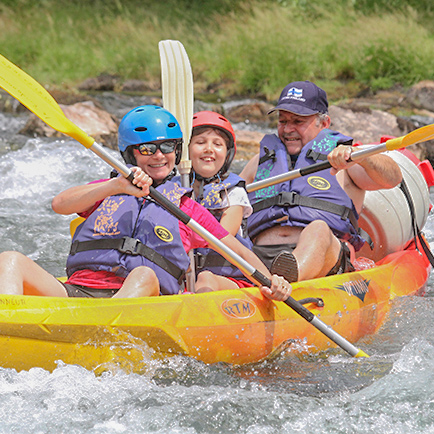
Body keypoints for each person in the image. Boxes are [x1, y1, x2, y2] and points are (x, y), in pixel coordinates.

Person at [0, 105, 291, 301]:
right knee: (10, 259)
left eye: (167, 147)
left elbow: (236, 251)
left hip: (138, 304)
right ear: (131, 155)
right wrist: (115, 185)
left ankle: (98, 335)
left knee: (143, 273)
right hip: (77, 292)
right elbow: (59, 204)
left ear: (176, 153)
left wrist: (271, 281)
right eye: (147, 148)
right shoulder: (108, 190)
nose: (158, 155)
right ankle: (9, 331)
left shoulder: (185, 208)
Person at [240, 81, 402, 283]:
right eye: (283, 121)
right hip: (259, 258)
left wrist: (361, 155)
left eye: (298, 122)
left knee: (319, 229)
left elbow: (393, 178)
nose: (288, 129)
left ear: (324, 123)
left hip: (325, 260)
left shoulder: (345, 160)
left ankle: (289, 277)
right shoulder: (260, 162)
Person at [174, 111, 253, 292]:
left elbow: (222, 238)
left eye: (217, 144)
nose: (209, 149)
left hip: (227, 280)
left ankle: (200, 316)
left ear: (227, 154)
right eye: (200, 142)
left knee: (205, 278)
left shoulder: (233, 192)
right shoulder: (172, 189)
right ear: (186, 151)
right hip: (183, 280)